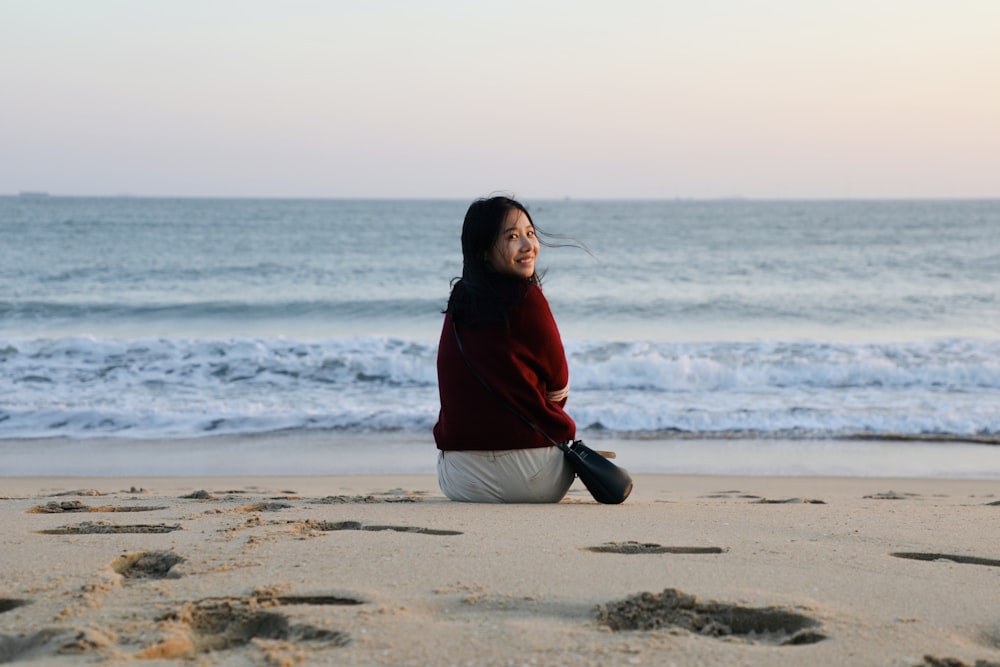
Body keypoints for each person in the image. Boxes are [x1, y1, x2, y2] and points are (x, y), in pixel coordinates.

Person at [434, 195, 576, 503]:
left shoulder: (458, 303)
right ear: (484, 251)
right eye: (512, 237)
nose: (528, 246)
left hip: (460, 480)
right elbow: (559, 386)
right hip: (534, 479)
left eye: (530, 233)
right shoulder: (528, 298)